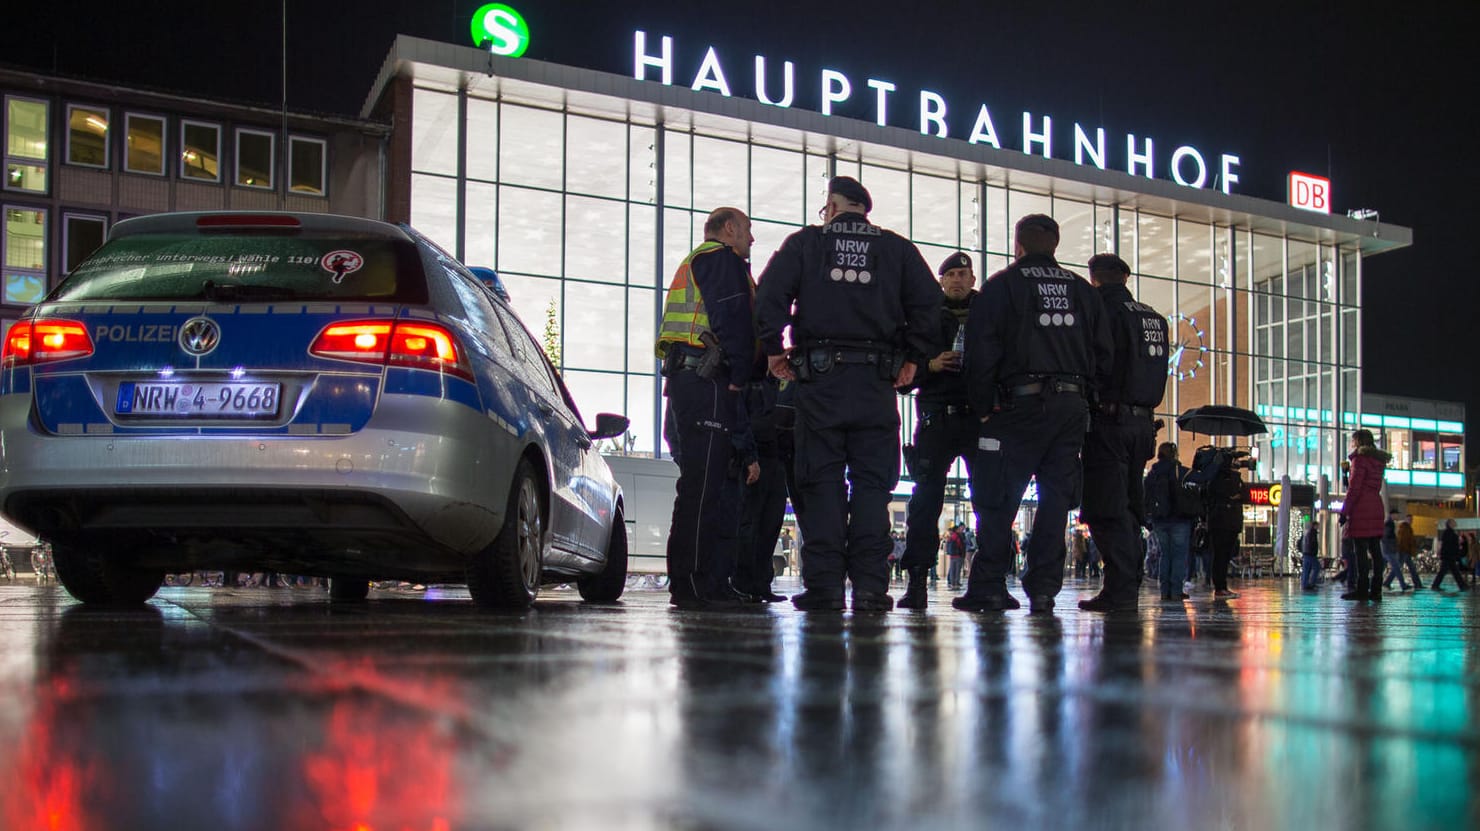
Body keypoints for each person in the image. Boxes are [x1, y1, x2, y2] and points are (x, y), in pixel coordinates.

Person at [755, 176, 942, 612]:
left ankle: (824, 587)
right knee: (873, 486)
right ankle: (872, 588)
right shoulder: (896, 249)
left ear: (835, 205)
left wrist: (771, 349)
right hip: (877, 385)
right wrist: (913, 359)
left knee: (820, 482)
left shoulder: (807, 243)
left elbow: (769, 296)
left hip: (820, 383)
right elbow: (929, 305)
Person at [953, 214, 1113, 614]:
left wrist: (983, 406)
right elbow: (1104, 357)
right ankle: (1043, 590)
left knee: (999, 498)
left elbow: (981, 351)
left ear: (1018, 245)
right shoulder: (1082, 291)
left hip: (1016, 406)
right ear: (1054, 246)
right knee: (1056, 501)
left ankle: (989, 585)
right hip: (1070, 407)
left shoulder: (1003, 286)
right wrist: (1085, 400)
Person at [657, 207, 761, 611]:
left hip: (693, 378)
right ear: (730, 228)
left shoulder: (698, 261)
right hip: (706, 378)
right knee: (702, 488)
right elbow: (732, 317)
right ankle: (692, 585)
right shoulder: (720, 258)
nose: (751, 240)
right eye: (748, 231)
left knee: (705, 485)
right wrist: (737, 372)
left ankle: (703, 583)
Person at [1076, 253, 1168, 612]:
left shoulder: (1100, 310)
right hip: (1143, 423)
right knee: (1129, 505)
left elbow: (1096, 361)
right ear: (1126, 277)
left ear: (1094, 279)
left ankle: (1120, 586)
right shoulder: (1153, 317)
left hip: (1109, 420)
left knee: (1104, 505)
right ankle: (1128, 581)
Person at [897, 252, 981, 609]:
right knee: (925, 502)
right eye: (951, 275)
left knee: (989, 502)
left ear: (973, 279)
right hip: (936, 418)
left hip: (978, 418)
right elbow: (901, 378)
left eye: (963, 274)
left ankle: (986, 581)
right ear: (941, 280)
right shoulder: (925, 316)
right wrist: (931, 365)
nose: (958, 280)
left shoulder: (988, 313)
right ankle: (917, 579)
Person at [732, 376, 791, 603]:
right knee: (750, 524)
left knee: (770, 524)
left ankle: (761, 584)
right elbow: (743, 421)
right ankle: (743, 583)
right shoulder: (750, 380)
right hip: (756, 458)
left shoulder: (779, 381)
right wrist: (748, 456)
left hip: (777, 459)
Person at [1338, 428, 1391, 602]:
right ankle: (1376, 589)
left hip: (1362, 508)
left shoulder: (1359, 460)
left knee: (1360, 551)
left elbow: (1354, 489)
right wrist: (1346, 475)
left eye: (1353, 441)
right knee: (1375, 550)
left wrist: (1344, 512)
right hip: (1376, 506)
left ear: (1359, 442)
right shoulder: (1378, 461)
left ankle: (1361, 589)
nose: (1352, 444)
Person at [1144, 442, 1194, 601]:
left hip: (1159, 520)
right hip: (1179, 518)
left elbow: (1146, 497)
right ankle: (1176, 590)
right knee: (1179, 555)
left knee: (1164, 555)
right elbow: (1200, 477)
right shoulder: (1180, 471)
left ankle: (1164, 591)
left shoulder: (1152, 474)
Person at [1431, 519, 1469, 591]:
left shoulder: (1447, 533)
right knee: (1448, 571)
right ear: (1450, 524)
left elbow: (1444, 545)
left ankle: (1462, 585)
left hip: (1448, 556)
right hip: (1449, 556)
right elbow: (1451, 546)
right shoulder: (1450, 534)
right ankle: (1435, 585)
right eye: (1453, 522)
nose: (1455, 523)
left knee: (1452, 571)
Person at [1379, 508, 1409, 591]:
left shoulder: (1389, 523)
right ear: (1392, 514)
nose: (1397, 516)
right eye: (1396, 514)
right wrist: (1393, 545)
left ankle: (1380, 582)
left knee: (1382, 568)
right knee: (1396, 567)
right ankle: (1403, 585)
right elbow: (1386, 536)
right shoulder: (1389, 523)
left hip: (1387, 549)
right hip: (1389, 550)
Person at [1394, 513, 1421, 589]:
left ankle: (1418, 583)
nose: (1411, 521)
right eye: (1410, 519)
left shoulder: (1406, 528)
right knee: (1400, 567)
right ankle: (1418, 583)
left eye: (1411, 519)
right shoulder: (1405, 528)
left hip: (1406, 551)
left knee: (1410, 568)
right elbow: (1403, 540)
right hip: (1404, 551)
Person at [1299, 518, 1322, 592]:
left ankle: (1305, 584)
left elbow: (1301, 543)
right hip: (1311, 554)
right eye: (1317, 526)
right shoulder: (1313, 533)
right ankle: (1311, 583)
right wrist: (1314, 552)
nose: (1318, 527)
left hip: (1306, 554)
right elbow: (1312, 544)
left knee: (1306, 570)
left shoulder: (1307, 533)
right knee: (1317, 567)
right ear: (1315, 526)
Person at [944, 524, 966, 589]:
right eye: (959, 529)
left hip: (952, 556)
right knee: (957, 570)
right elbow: (960, 546)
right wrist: (962, 554)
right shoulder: (958, 536)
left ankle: (952, 583)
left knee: (952, 570)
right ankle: (956, 583)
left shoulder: (951, 536)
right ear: (957, 530)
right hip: (958, 556)